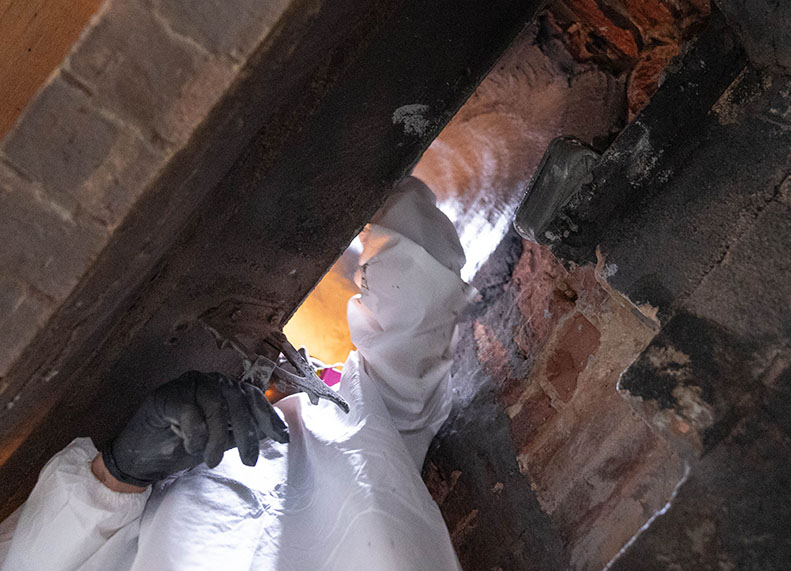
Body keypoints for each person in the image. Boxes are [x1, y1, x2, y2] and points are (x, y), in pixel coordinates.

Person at [0, 176, 474, 570]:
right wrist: (368, 172)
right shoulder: (372, 449)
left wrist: (117, 474)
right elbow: (418, 310)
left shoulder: (359, 432)